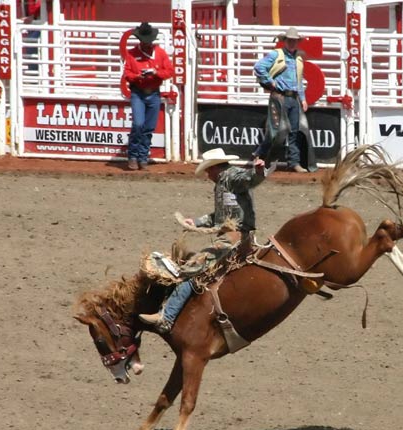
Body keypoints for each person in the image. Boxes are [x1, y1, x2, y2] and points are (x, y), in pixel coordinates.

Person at [139, 148, 267, 333]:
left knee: (193, 266)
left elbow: (249, 179)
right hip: (235, 235)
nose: (207, 175)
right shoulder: (223, 183)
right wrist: (197, 222)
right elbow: (221, 216)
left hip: (234, 237)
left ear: (215, 168)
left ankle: (166, 317)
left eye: (208, 171)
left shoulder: (231, 176)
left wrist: (258, 172)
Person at [251, 27, 316, 173]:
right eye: (290, 40)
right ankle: (260, 156)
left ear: (297, 42)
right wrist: (270, 82)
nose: (292, 43)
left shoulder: (298, 58)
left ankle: (293, 162)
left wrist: (303, 99)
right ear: (285, 41)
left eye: (294, 40)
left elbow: (298, 81)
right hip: (279, 96)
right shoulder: (276, 54)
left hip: (292, 97)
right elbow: (259, 67)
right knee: (275, 131)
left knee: (294, 130)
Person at [122, 22, 172, 170]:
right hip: (138, 92)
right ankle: (133, 156)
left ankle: (142, 157)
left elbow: (169, 71)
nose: (147, 43)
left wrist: (156, 73)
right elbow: (128, 74)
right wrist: (138, 76)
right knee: (138, 124)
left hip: (153, 93)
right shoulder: (132, 54)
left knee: (148, 127)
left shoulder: (160, 53)